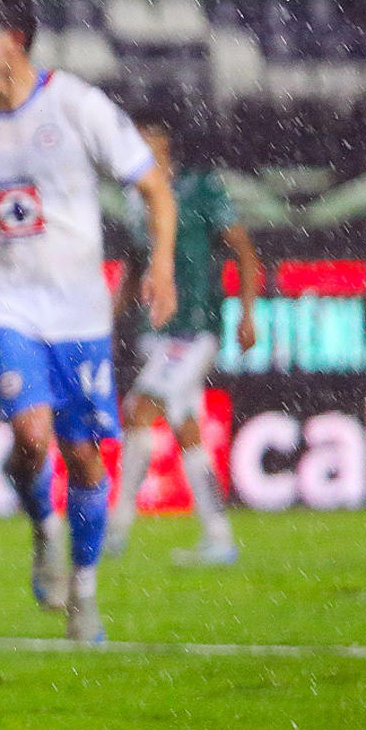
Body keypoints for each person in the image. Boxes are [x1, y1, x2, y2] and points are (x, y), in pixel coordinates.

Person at [0, 0, 178, 644]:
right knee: (32, 437)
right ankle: (43, 530)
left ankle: (84, 593)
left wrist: (164, 263)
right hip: (0, 300)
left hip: (80, 309)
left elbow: (153, 187)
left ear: (12, 40)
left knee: (83, 456)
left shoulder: (76, 105)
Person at [107, 106, 261, 565]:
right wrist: (111, 318)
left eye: (144, 142)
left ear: (163, 146)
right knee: (186, 428)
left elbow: (245, 253)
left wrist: (248, 315)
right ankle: (219, 537)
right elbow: (136, 266)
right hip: (156, 333)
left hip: (194, 328)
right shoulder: (135, 200)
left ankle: (114, 532)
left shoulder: (200, 188)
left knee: (138, 412)